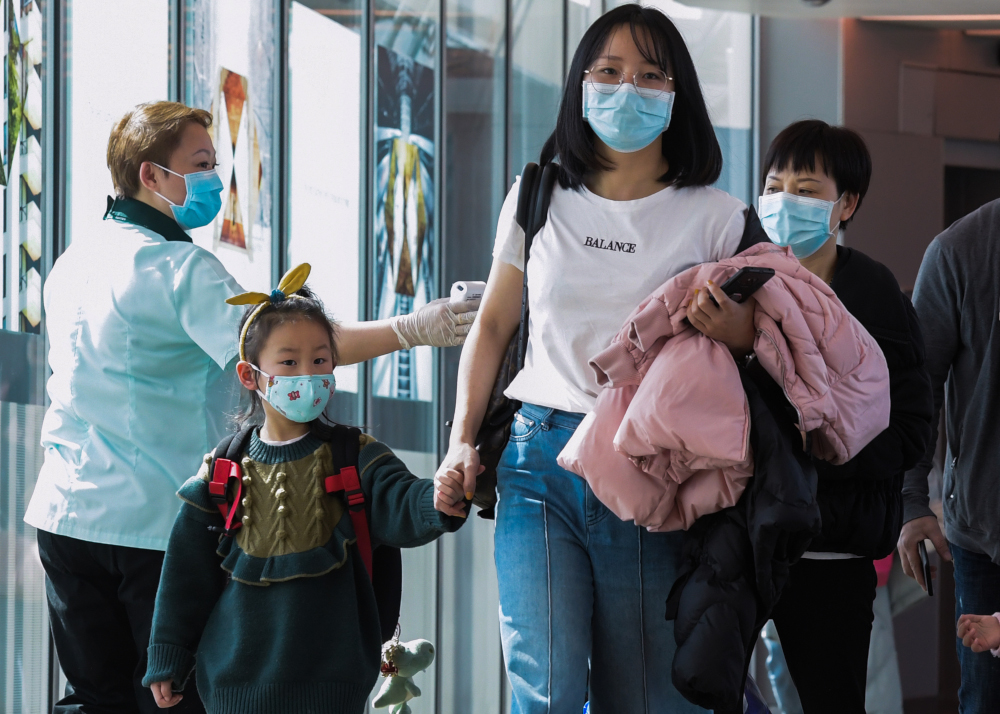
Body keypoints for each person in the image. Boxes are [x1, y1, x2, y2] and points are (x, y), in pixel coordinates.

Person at [25, 101, 476, 714]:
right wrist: (413, 328)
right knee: (169, 695)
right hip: (148, 522)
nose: (215, 178)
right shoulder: (179, 268)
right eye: (202, 163)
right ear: (151, 176)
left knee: (95, 696)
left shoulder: (73, 260)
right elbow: (288, 345)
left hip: (63, 517)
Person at [433, 5, 751, 712]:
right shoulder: (539, 193)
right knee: (541, 686)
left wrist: (733, 331)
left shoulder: (718, 216)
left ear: (679, 95)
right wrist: (460, 443)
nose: (625, 89)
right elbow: (491, 326)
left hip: (647, 464)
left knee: (638, 693)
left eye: (649, 75)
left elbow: (753, 347)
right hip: (535, 457)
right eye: (607, 72)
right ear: (579, 85)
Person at [143, 266, 464, 712]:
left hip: (334, 693)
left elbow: (403, 501)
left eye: (320, 360)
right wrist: (168, 654)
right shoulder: (221, 469)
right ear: (250, 375)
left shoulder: (357, 455)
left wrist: (439, 500)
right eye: (289, 362)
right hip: (233, 694)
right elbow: (184, 575)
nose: (308, 373)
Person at [693, 120, 931, 713]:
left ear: (845, 203)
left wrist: (822, 453)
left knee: (829, 699)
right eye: (774, 186)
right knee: (706, 686)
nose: (783, 201)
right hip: (741, 543)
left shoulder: (873, 294)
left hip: (828, 550)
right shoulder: (738, 281)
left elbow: (907, 429)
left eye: (805, 188)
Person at [898, 194, 1000, 713]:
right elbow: (918, 388)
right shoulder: (960, 249)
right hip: (986, 537)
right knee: (985, 699)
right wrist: (913, 501)